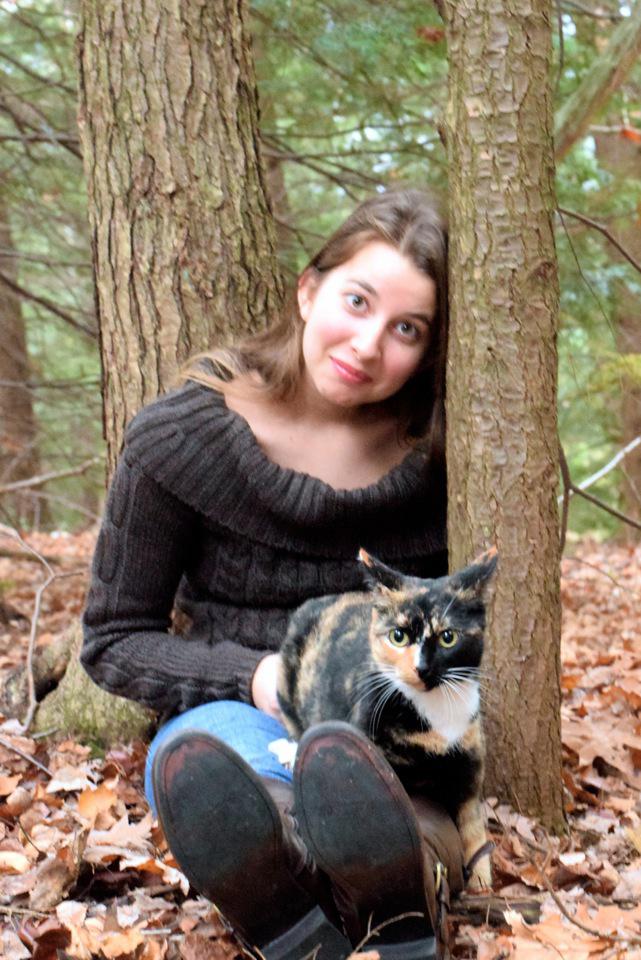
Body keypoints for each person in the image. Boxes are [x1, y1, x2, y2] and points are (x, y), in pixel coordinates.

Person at [81, 189, 466, 960]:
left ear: (429, 351)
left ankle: (399, 883)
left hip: (388, 723)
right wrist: (255, 677)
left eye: (406, 329)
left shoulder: (444, 463)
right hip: (236, 715)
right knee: (208, 765)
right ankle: (291, 892)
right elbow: (114, 639)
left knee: (367, 775)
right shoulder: (180, 439)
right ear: (307, 290)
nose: (367, 343)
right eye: (356, 301)